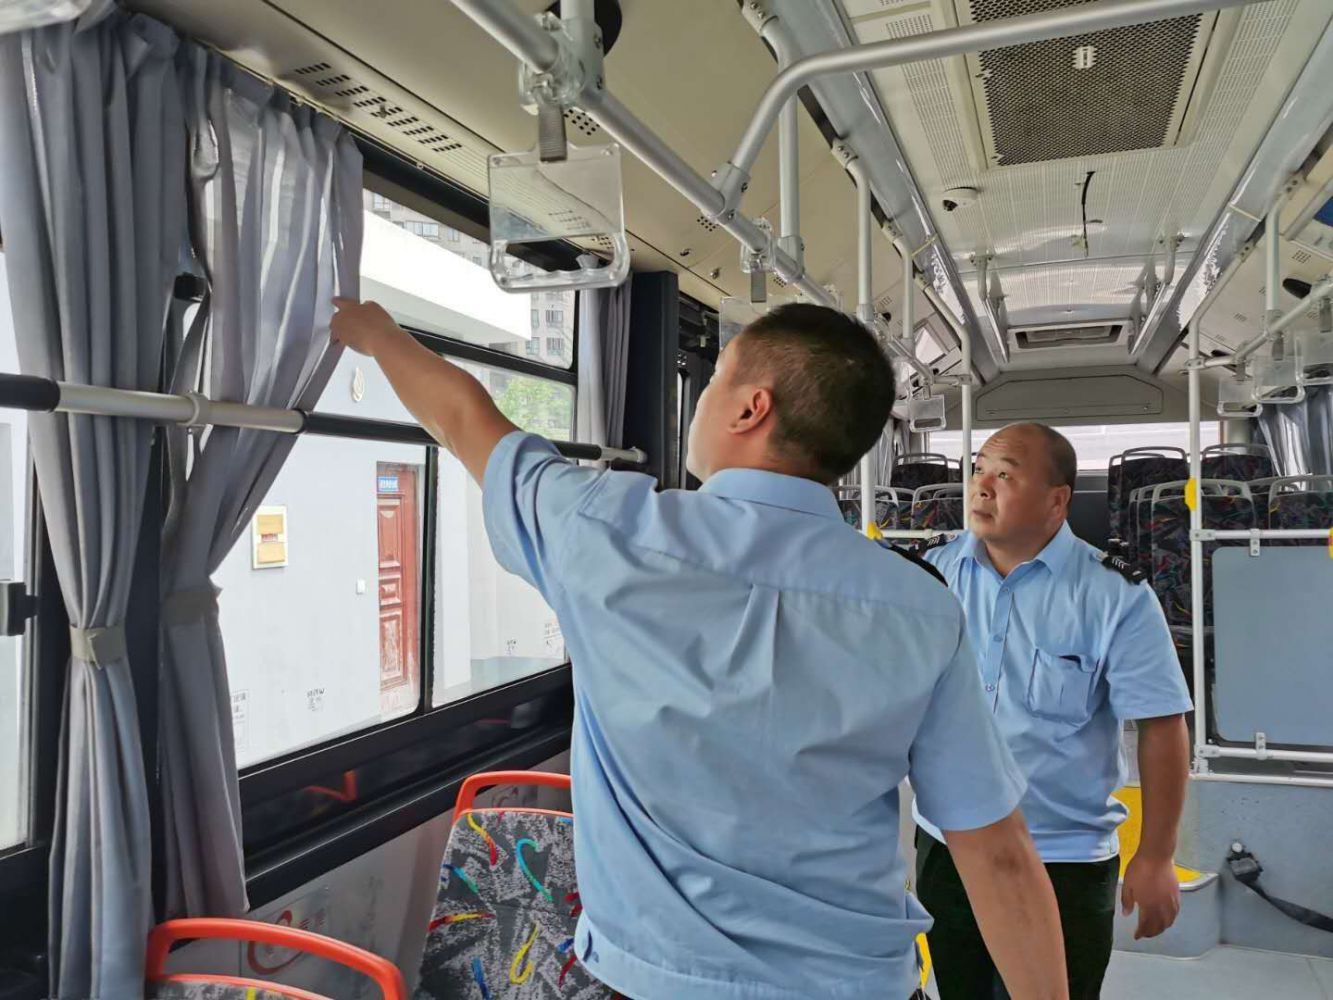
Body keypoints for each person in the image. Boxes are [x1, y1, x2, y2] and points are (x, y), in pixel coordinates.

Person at [331, 298, 1068, 1000]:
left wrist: (377, 334)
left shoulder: (603, 531)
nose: (702, 397)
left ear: (751, 409)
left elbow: (464, 416)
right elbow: (996, 852)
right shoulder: (922, 607)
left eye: (713, 380)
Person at [916, 422, 1193, 1000]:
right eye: (978, 470)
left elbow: (1162, 724)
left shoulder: (1114, 594)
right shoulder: (930, 577)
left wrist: (1156, 855)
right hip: (951, 844)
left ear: (1057, 501)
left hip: (1063, 856)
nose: (982, 486)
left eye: (1005, 474)